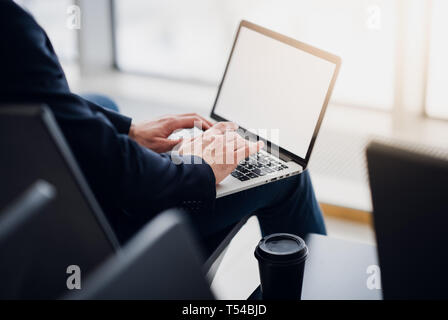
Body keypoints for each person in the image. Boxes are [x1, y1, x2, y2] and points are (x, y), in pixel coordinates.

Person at [0, 1, 326, 251]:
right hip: (86, 227)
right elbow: (129, 178)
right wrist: (197, 170)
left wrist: (126, 130)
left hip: (19, 178)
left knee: (104, 103)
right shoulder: (12, 30)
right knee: (290, 178)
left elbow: (46, 101)